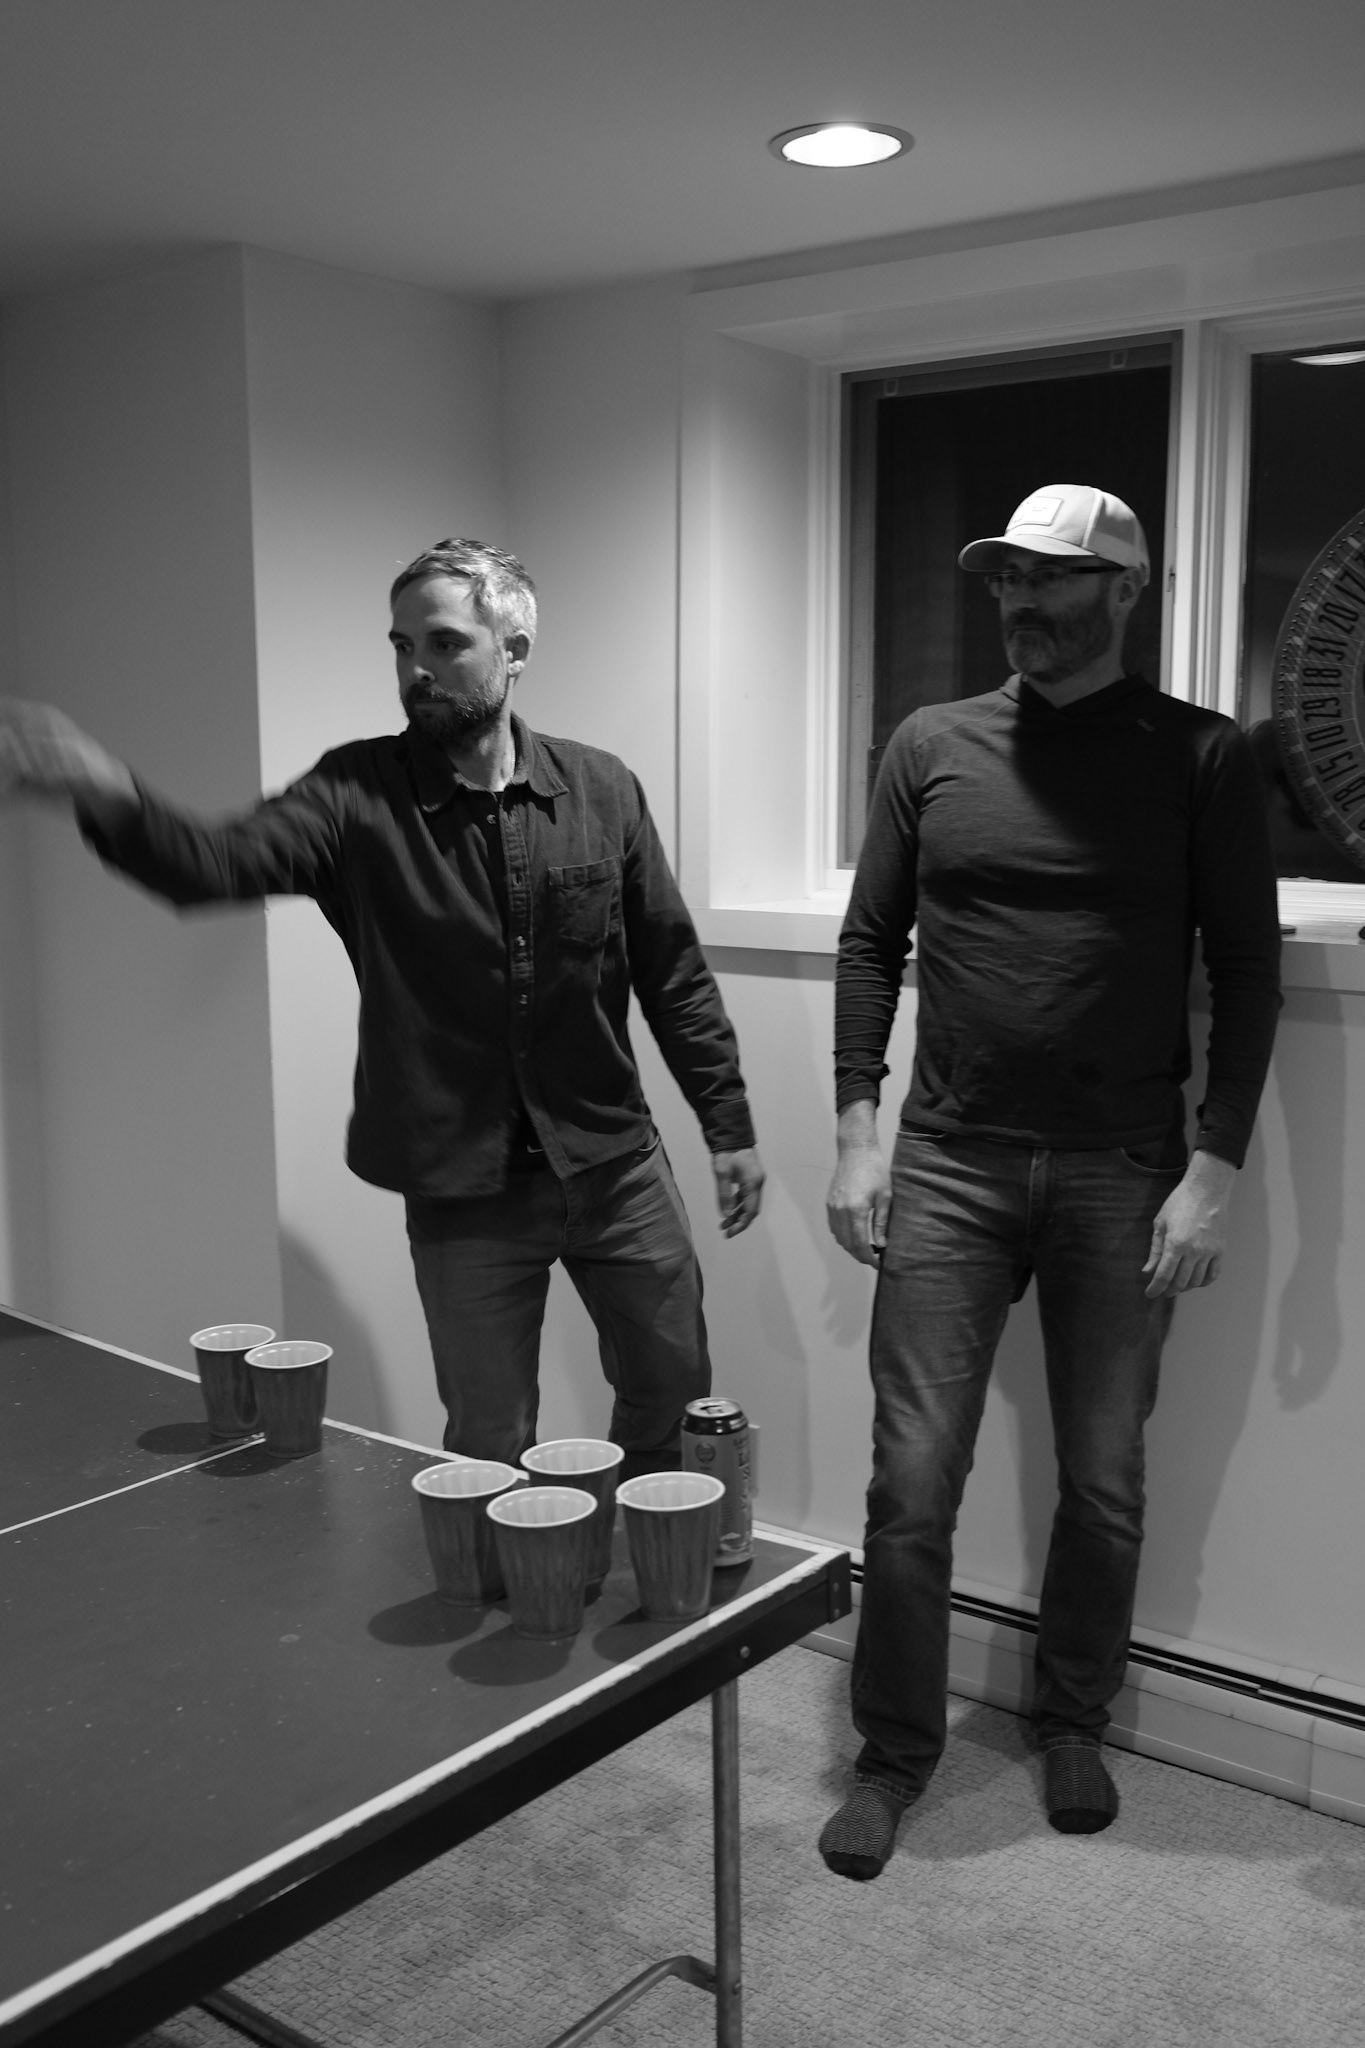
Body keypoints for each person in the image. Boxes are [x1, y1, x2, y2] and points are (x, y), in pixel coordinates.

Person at [0, 538, 763, 1477]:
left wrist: (727, 1125)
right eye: (402, 646)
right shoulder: (353, 793)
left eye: (443, 643)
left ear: (514, 650)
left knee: (674, 1396)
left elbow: (671, 971)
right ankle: (513, 1570)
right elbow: (212, 865)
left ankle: (652, 1560)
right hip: (463, 1189)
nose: (416, 669)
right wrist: (101, 786)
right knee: (487, 1442)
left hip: (614, 1165)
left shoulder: (601, 788)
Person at [819, 484, 1281, 1878]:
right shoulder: (931, 743)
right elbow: (869, 941)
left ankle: (1072, 1719)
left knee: (1106, 1476)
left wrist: (1213, 1169)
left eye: (1050, 578)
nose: (1018, 599)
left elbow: (1247, 969)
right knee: (911, 1480)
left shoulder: (1202, 756)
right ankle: (893, 1752)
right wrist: (857, 1132)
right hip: (948, 1162)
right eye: (1005, 577)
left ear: (1125, 590)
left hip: (1123, 1170)